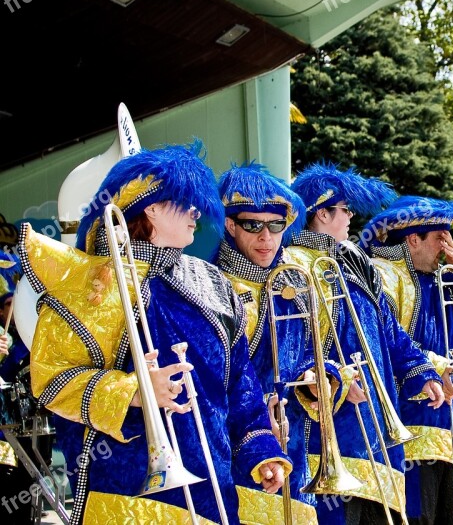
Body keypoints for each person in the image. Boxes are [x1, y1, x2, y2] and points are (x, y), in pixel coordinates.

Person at [22, 143, 290, 524]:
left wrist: (260, 450)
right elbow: (51, 381)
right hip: (126, 501)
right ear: (150, 208)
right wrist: (132, 391)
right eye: (185, 201)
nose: (197, 212)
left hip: (213, 498)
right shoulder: (89, 286)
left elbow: (240, 385)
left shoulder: (213, 283)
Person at [286, 162, 445, 524]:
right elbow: (290, 348)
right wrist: (334, 379)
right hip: (328, 428)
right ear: (323, 213)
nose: (351, 217)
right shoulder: (294, 264)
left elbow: (388, 330)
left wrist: (423, 372)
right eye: (345, 210)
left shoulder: (355, 260)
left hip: (375, 427)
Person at [362, 196, 453, 525]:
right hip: (412, 423)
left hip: (451, 425)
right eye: (440, 239)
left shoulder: (440, 277)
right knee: (419, 515)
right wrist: (433, 364)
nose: (446, 247)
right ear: (413, 239)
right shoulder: (385, 275)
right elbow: (385, 343)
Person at [216, 162, 330, 523]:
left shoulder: (293, 285)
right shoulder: (212, 287)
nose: (266, 237)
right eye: (253, 225)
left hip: (295, 448)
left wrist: (321, 379)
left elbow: (313, 355)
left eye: (276, 226)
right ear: (230, 225)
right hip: (236, 454)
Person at [1, 253, 53, 525]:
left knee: (31, 472)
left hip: (31, 419)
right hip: (9, 428)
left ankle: (31, 509)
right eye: (9, 303)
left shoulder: (30, 339)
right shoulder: (10, 345)